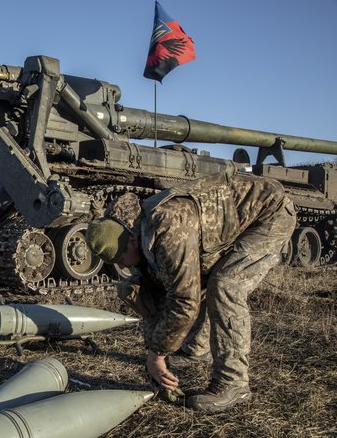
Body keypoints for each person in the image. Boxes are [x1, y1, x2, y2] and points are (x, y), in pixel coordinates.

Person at [85, 169, 296, 412]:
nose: (121, 265)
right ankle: (196, 351)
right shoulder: (136, 233)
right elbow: (157, 300)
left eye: (120, 258)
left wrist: (157, 355)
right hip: (230, 226)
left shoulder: (167, 226)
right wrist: (154, 352)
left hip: (269, 213)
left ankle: (234, 382)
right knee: (191, 279)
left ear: (131, 241)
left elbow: (185, 300)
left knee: (225, 284)